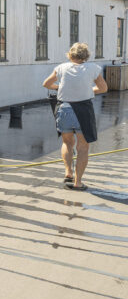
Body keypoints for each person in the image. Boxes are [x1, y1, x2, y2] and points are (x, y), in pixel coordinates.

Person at [43, 42, 108, 191]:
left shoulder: (61, 67)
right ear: (86, 55)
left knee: (67, 143)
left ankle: (68, 173)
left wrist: (58, 87)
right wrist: (90, 89)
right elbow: (103, 88)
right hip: (83, 110)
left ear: (70, 54)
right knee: (83, 147)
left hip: (64, 108)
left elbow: (46, 84)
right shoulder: (93, 68)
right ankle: (78, 182)